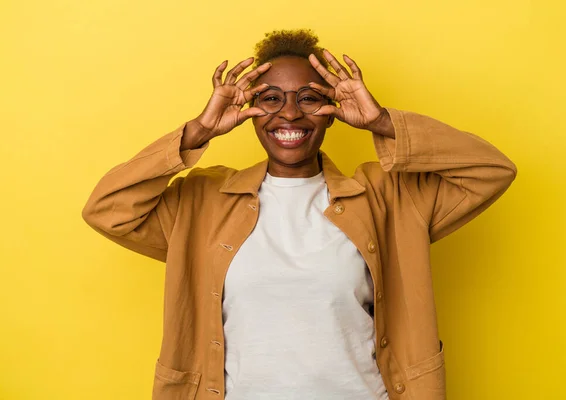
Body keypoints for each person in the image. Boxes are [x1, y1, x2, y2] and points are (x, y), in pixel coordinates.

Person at [82, 29, 517, 400]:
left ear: (333, 113)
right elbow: (107, 209)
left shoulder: (390, 198)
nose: (289, 113)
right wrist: (198, 131)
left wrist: (382, 121)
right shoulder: (202, 201)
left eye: (309, 98)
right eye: (270, 98)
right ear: (248, 111)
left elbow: (491, 171)